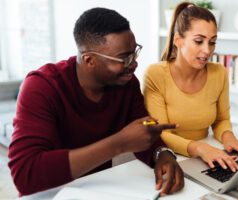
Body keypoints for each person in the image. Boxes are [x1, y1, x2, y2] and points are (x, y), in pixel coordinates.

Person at [8, 7, 184, 197]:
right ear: (89, 60)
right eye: (124, 58)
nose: (133, 64)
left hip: (98, 188)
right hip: (50, 193)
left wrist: (162, 154)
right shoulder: (42, 87)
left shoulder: (126, 83)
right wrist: (119, 144)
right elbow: (26, 174)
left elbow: (143, 131)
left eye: (134, 53)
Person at [143, 2, 238, 172]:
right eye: (199, 41)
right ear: (178, 40)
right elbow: (160, 133)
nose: (207, 50)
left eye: (212, 42)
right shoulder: (155, 75)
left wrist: (229, 138)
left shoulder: (219, 73)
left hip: (208, 153)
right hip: (169, 159)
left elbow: (221, 120)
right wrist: (199, 149)